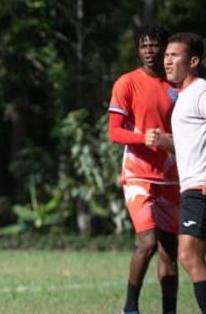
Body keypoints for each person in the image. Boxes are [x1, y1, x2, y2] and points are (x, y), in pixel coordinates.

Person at [108, 25, 179, 314]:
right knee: (147, 242)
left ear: (165, 49)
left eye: (154, 45)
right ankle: (130, 308)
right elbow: (114, 133)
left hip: (172, 179)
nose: (149, 51)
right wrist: (143, 138)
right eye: (143, 46)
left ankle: (169, 311)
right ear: (138, 50)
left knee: (169, 254)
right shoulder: (126, 83)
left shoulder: (178, 87)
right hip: (138, 176)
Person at [150, 33, 205, 313]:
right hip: (192, 189)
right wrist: (164, 143)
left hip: (201, 188)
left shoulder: (201, 92)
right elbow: (190, 145)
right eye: (166, 55)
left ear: (193, 61)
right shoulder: (183, 96)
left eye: (174, 55)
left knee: (188, 254)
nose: (167, 60)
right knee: (191, 256)